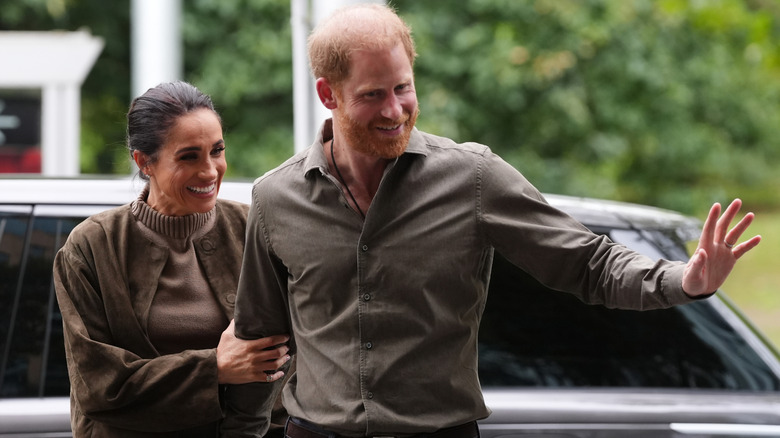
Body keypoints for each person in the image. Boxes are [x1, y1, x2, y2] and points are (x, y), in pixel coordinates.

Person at [228, 4, 762, 438]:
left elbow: (587, 262)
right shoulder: (276, 198)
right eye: (372, 95)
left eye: (403, 87)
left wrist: (683, 280)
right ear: (328, 94)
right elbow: (260, 341)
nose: (395, 110)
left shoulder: (473, 178)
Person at [53, 81, 292, 437]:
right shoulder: (91, 247)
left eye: (217, 150)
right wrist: (215, 368)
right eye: (189, 156)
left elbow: (287, 364)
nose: (210, 171)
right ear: (143, 161)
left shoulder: (254, 229)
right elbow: (100, 387)